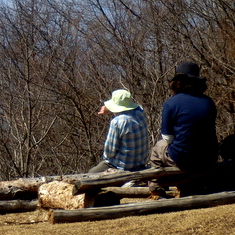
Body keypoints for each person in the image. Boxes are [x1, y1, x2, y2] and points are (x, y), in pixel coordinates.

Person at [148, 62, 218, 194]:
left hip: (183, 159)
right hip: (208, 157)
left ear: (177, 82)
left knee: (158, 147)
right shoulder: (209, 102)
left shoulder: (171, 103)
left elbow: (167, 137)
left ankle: (157, 188)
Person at [89, 89, 150, 173]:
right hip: (140, 163)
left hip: (122, 166)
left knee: (92, 173)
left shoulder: (117, 122)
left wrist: (111, 108)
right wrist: (110, 109)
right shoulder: (140, 113)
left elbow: (109, 153)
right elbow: (137, 107)